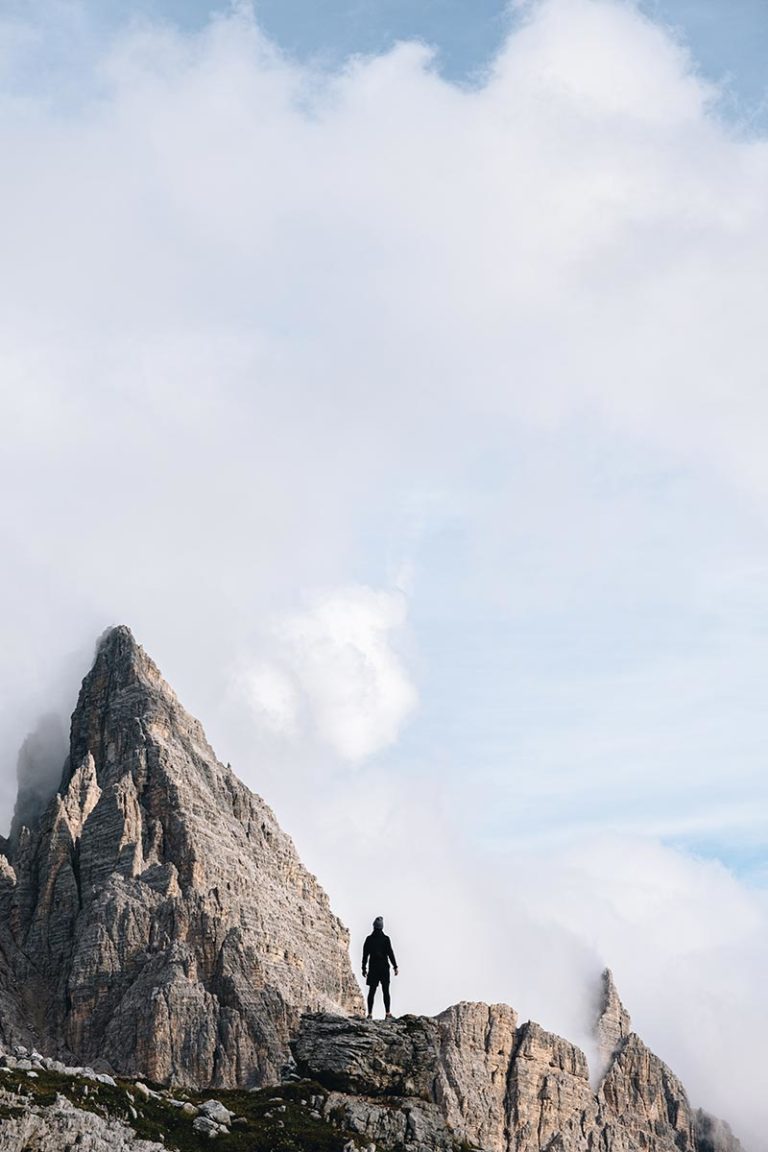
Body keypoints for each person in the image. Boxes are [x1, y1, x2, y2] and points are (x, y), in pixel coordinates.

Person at [362, 916, 398, 1019]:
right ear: (382, 927)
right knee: (386, 991)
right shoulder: (386, 939)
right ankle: (387, 1013)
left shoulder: (369, 939)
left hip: (373, 968)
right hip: (384, 968)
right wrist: (395, 966)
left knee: (372, 991)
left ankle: (369, 1014)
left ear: (373, 926)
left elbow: (365, 955)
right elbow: (390, 953)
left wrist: (363, 968)